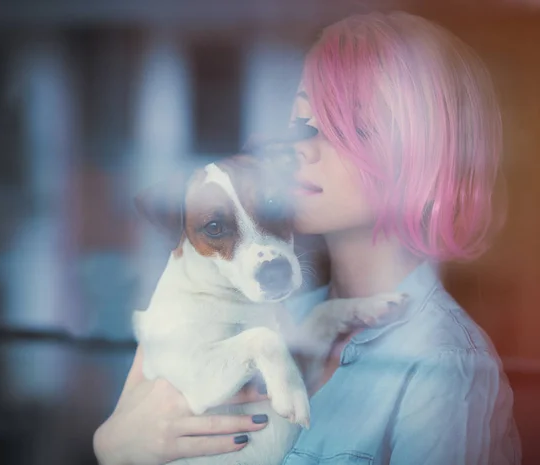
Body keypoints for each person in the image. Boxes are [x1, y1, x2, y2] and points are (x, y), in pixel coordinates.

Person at [94, 11, 522, 465]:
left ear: (428, 155)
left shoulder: (442, 363)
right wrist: (113, 445)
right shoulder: (270, 305)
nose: (306, 146)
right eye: (304, 121)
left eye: (354, 128)